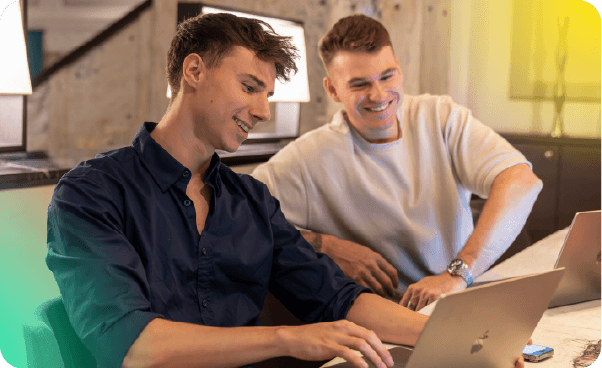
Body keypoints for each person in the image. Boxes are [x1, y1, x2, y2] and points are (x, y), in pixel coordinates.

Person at [45, 12, 439, 368]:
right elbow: (135, 347)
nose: (264, 111)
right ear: (194, 71)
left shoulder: (252, 201)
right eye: (250, 87)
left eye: (267, 95)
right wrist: (288, 338)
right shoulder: (90, 193)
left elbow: (337, 298)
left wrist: (450, 333)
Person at [251, 15, 543, 312]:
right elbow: (236, 219)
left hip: (458, 298)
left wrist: (456, 275)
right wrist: (324, 245)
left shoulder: (441, 118)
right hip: (382, 322)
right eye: (360, 84)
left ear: (400, 70)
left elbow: (521, 181)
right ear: (333, 90)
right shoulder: (305, 159)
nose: (379, 95)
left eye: (387, 76)